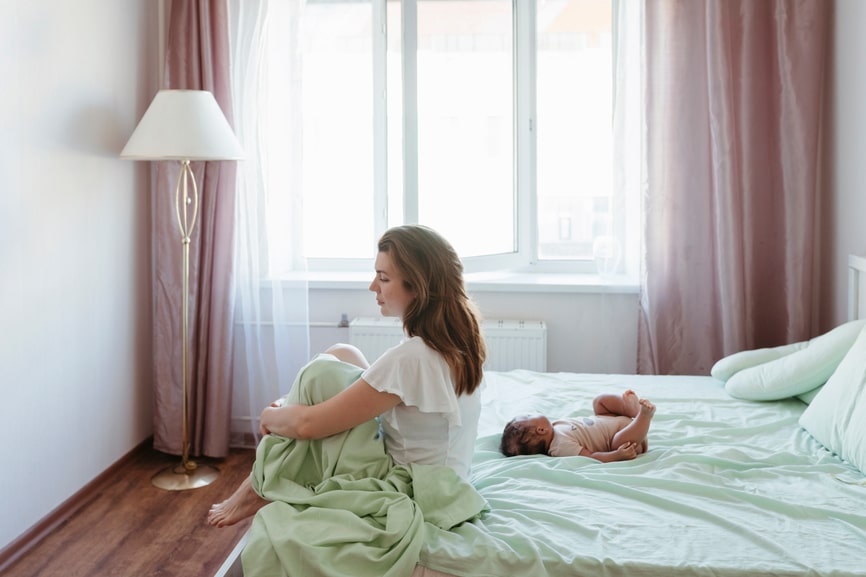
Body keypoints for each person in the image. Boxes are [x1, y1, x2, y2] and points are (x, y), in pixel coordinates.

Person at [208, 224, 487, 527]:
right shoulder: (460, 341)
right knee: (344, 353)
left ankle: (257, 484)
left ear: (417, 287)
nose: (372, 287)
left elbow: (307, 426)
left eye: (383, 278)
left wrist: (268, 418)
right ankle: (283, 422)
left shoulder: (411, 358)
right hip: (447, 478)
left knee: (317, 376)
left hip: (414, 486)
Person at [499, 390, 656, 462]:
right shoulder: (560, 447)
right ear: (541, 430)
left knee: (599, 402)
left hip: (610, 420)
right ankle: (643, 416)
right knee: (618, 442)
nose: (530, 413)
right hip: (625, 438)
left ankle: (628, 409)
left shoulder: (553, 428)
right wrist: (616, 455)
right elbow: (590, 457)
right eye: (528, 416)